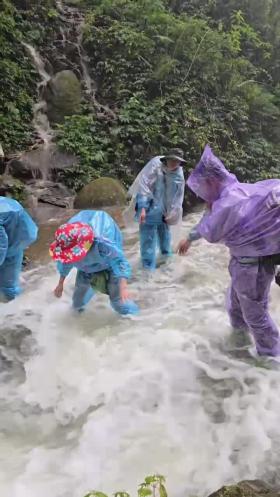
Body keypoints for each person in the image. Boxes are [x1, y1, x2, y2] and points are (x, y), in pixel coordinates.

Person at [178, 144, 280, 359]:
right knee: (235, 306)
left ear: (212, 181)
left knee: (255, 315)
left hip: (253, 266)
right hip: (248, 263)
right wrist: (189, 237)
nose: (203, 193)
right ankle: (240, 344)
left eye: (203, 187)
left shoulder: (228, 201)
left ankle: (271, 358)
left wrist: (206, 213)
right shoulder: (237, 191)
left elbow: (212, 232)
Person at [50, 210, 139, 315]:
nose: (71, 257)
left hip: (109, 266)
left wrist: (123, 286)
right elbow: (65, 263)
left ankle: (136, 318)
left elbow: (119, 261)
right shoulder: (67, 252)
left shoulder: (101, 244)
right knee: (77, 304)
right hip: (86, 270)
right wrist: (60, 284)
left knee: (119, 303)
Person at [128, 148, 186, 270]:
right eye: (172, 160)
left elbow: (178, 197)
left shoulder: (179, 174)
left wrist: (173, 213)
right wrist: (143, 208)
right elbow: (144, 186)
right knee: (148, 242)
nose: (174, 164)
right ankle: (148, 271)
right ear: (167, 159)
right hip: (149, 209)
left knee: (165, 241)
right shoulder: (155, 165)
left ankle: (166, 268)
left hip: (164, 213)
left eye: (177, 161)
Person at [0, 196, 38, 300]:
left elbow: (1, 245)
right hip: (19, 234)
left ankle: (16, 309)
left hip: (14, 241)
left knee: (9, 286)